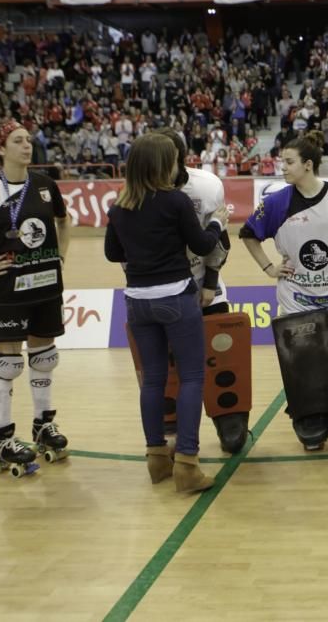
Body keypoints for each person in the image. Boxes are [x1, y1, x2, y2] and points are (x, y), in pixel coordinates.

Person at [240, 131, 328, 449]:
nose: (283, 168)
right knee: (305, 362)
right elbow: (248, 233)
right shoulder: (276, 202)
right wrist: (269, 268)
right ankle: (313, 420)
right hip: (295, 294)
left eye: (288, 162)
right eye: (282, 162)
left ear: (307, 165)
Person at [105, 133, 228, 493]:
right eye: (173, 159)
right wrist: (218, 222)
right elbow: (203, 244)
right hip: (175, 297)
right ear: (162, 164)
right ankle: (187, 463)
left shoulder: (119, 206)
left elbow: (114, 254)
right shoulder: (175, 201)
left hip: (136, 301)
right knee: (191, 378)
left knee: (154, 379)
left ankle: (157, 459)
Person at [0, 119, 71, 477]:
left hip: (46, 286)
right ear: (1, 149)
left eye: (29, 140)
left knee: (44, 358)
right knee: (8, 364)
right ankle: (1, 439)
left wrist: (61, 257)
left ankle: (43, 426)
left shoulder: (46, 185)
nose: (27, 145)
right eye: (18, 141)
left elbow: (65, 221)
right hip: (8, 293)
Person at [153, 128, 248, 453]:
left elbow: (220, 240)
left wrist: (209, 283)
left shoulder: (207, 186)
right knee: (168, 360)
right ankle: (169, 419)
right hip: (162, 290)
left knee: (222, 355)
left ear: (182, 159)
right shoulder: (140, 189)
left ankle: (229, 418)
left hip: (203, 284)